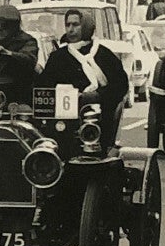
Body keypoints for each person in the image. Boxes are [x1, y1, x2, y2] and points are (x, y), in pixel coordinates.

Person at [42, 8, 129, 144]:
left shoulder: (105, 55)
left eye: (76, 25)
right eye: (68, 25)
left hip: (100, 120)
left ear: (87, 26)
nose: (70, 29)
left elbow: (121, 85)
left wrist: (97, 96)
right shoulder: (57, 57)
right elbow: (44, 85)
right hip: (63, 123)